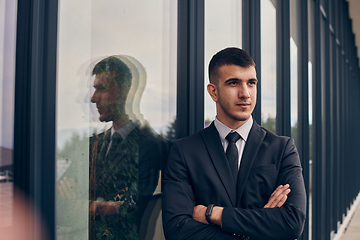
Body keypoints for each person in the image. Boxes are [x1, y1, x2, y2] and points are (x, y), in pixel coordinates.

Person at [162, 47, 306, 240]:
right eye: (233, 83)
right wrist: (262, 228)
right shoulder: (184, 151)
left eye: (251, 83)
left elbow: (292, 222)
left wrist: (214, 214)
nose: (245, 93)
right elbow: (177, 229)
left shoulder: (282, 148)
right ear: (213, 92)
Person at [58, 55, 169, 240]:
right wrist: (104, 206)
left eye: (102, 88)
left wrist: (79, 203)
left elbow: (129, 210)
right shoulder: (90, 145)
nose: (93, 99)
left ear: (128, 93)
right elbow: (58, 206)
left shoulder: (154, 147)